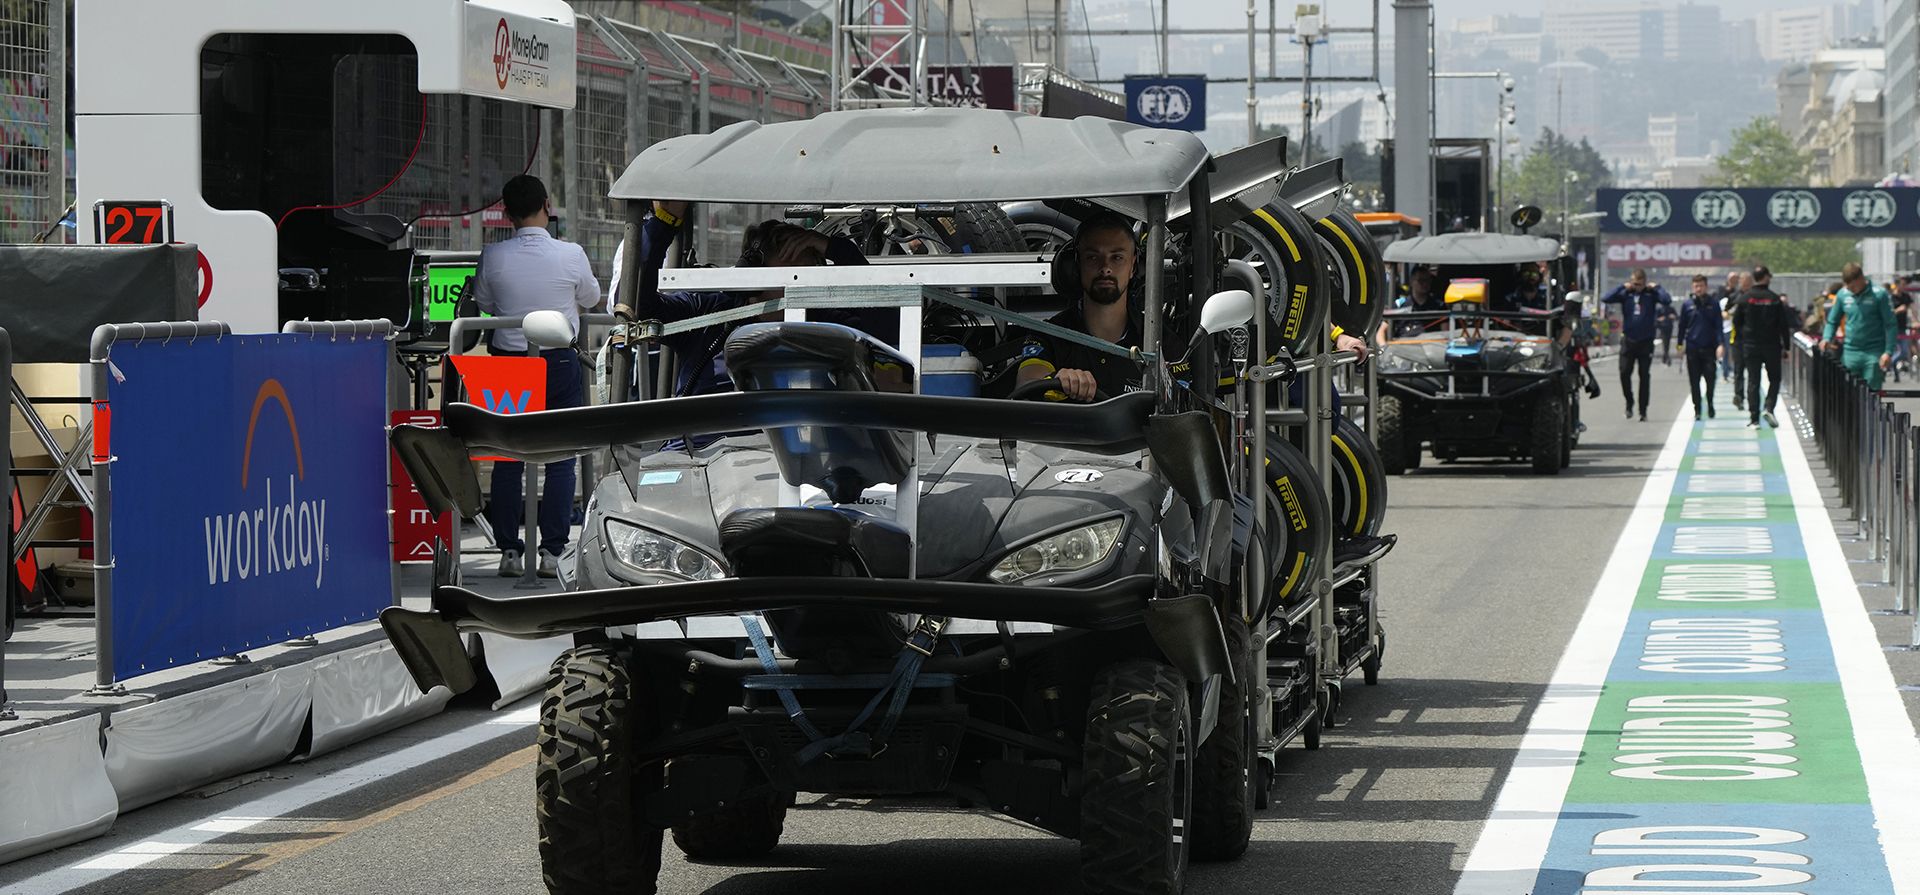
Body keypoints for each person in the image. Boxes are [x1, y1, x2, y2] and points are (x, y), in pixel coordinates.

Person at [1018, 211, 1364, 401]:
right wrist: (1055, 379)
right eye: (1093, 258)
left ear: (1135, 265)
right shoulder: (1051, 336)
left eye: (1117, 257)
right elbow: (1026, 379)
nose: (1106, 268)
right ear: (1074, 266)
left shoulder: (1167, 346)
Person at [468, 175, 602, 578]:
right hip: (559, 361)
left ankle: (509, 550)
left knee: (508, 456)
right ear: (547, 204)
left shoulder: (493, 256)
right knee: (561, 458)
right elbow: (592, 299)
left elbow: (486, 303)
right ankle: (551, 551)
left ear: (506, 213)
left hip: (509, 361)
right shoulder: (571, 253)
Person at [631, 200, 884, 398]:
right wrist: (664, 223)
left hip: (779, 456)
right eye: (795, 269)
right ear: (753, 267)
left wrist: (834, 248)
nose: (803, 282)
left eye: (811, 270)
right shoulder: (709, 312)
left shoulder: (829, 326)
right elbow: (638, 306)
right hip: (695, 451)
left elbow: (886, 327)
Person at [1601, 267, 1673, 421]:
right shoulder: (1626, 294)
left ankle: (1643, 410)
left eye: (1640, 284)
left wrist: (1657, 287)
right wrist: (1622, 287)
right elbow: (1605, 298)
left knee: (1644, 376)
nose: (1637, 287)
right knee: (1624, 372)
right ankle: (1629, 402)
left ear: (1645, 283)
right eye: (1635, 284)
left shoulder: (1651, 294)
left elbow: (1667, 300)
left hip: (1646, 341)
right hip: (1628, 340)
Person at [1822, 261, 1897, 390]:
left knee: (1871, 393)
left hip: (1873, 353)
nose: (1850, 290)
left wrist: (1888, 352)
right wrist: (1826, 338)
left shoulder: (1879, 294)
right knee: (1849, 394)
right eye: (1848, 287)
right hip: (1850, 352)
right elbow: (1832, 321)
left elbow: (1890, 324)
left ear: (1861, 279)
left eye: (1853, 287)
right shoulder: (1842, 295)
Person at [1732, 265, 1791, 428]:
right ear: (1765, 278)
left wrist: (1740, 342)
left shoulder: (1745, 299)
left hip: (1750, 346)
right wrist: (1786, 347)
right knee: (1775, 378)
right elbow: (1783, 325)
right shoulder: (1774, 299)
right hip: (1771, 345)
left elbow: (1736, 322)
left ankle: (1754, 418)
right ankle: (1769, 407)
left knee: (1753, 381)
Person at [1677, 274, 1724, 421]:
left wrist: (1721, 344)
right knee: (1694, 381)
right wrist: (1679, 345)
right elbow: (1681, 327)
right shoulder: (1687, 305)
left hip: (1709, 348)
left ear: (1706, 287)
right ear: (1693, 287)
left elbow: (1718, 326)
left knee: (1711, 379)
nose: (1699, 289)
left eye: (1701, 286)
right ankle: (1697, 409)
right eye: (1696, 286)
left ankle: (1710, 403)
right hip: (1692, 348)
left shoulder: (1713, 304)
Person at [1716, 272, 1742, 385]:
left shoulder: (1739, 296)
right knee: (1726, 352)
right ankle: (1725, 373)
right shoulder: (1722, 299)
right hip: (1726, 329)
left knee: (1736, 353)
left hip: (1737, 329)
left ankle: (1736, 373)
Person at [1656, 299, 1678, 367]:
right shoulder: (1660, 309)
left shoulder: (1671, 309)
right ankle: (1666, 357)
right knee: (1665, 343)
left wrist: (1673, 317)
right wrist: (1660, 320)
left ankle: (1665, 357)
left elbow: (1677, 317)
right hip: (1663, 327)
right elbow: (1656, 318)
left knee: (1666, 343)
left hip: (1669, 327)